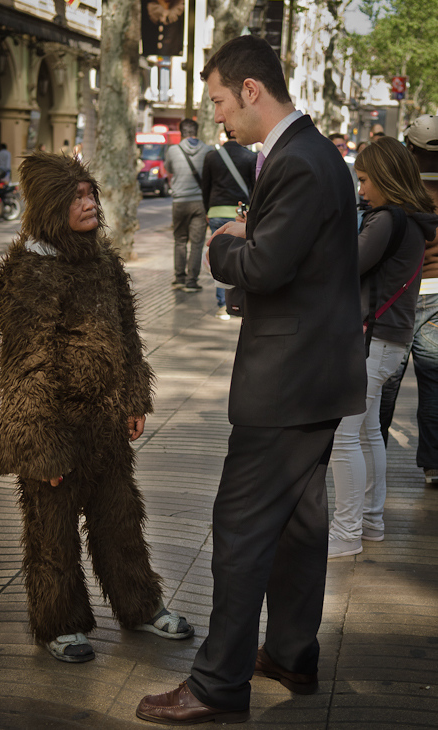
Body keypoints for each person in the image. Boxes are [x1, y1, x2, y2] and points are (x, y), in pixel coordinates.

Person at [136, 35, 367, 725]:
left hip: (288, 383)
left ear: (253, 90)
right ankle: (291, 654)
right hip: (313, 377)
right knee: (299, 524)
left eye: (219, 102)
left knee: (238, 529)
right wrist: (251, 235)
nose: (219, 119)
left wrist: (223, 244)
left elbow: (264, 267)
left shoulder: (299, 161)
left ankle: (215, 685)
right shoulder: (308, 156)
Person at [0, 152, 194, 664]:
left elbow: (127, 336)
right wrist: (41, 449)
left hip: (104, 427)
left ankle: (142, 607)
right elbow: (26, 366)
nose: (88, 205)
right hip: (54, 431)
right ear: (51, 205)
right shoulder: (28, 271)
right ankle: (60, 624)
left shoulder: (102, 260)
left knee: (121, 520)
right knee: (52, 535)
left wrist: (133, 398)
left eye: (90, 195)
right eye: (76, 197)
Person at [329, 137, 438, 558]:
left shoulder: (388, 220)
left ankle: (347, 531)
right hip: (389, 337)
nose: (361, 189)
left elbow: (345, 265)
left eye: (364, 179)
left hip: (372, 339)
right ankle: (370, 522)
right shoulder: (411, 219)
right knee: (370, 431)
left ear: (387, 178)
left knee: (344, 437)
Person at [380, 115, 438, 485]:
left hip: (401, 295)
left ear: (411, 149)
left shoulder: (401, 189)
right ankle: (434, 464)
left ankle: (373, 450)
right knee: (434, 382)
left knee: (385, 380)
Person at [202, 128, 256, 318]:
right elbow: (254, 188)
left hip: (216, 210)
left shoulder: (212, 157)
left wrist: (207, 210)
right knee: (240, 256)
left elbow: (205, 187)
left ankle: (222, 305)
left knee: (218, 255)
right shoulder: (251, 157)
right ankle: (237, 303)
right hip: (241, 213)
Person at [164, 118, 212, 292]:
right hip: (200, 202)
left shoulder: (173, 150)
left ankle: (179, 279)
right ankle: (192, 281)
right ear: (196, 132)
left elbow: (169, 169)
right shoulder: (208, 150)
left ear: (181, 132)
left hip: (179, 202)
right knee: (197, 243)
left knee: (180, 240)